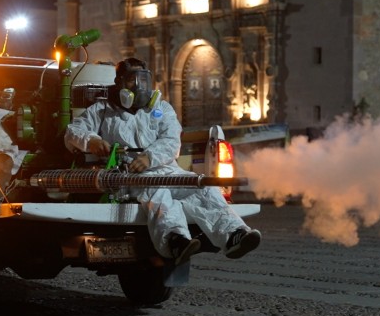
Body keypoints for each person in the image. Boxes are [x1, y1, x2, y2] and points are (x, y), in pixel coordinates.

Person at [64, 57, 261, 265]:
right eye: (132, 80)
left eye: (143, 79)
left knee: (201, 187)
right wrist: (92, 141)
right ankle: (176, 241)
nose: (139, 85)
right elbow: (73, 131)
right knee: (159, 195)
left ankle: (234, 235)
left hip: (167, 171)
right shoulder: (103, 110)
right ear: (119, 82)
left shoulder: (161, 108)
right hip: (130, 177)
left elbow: (171, 139)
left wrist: (150, 157)